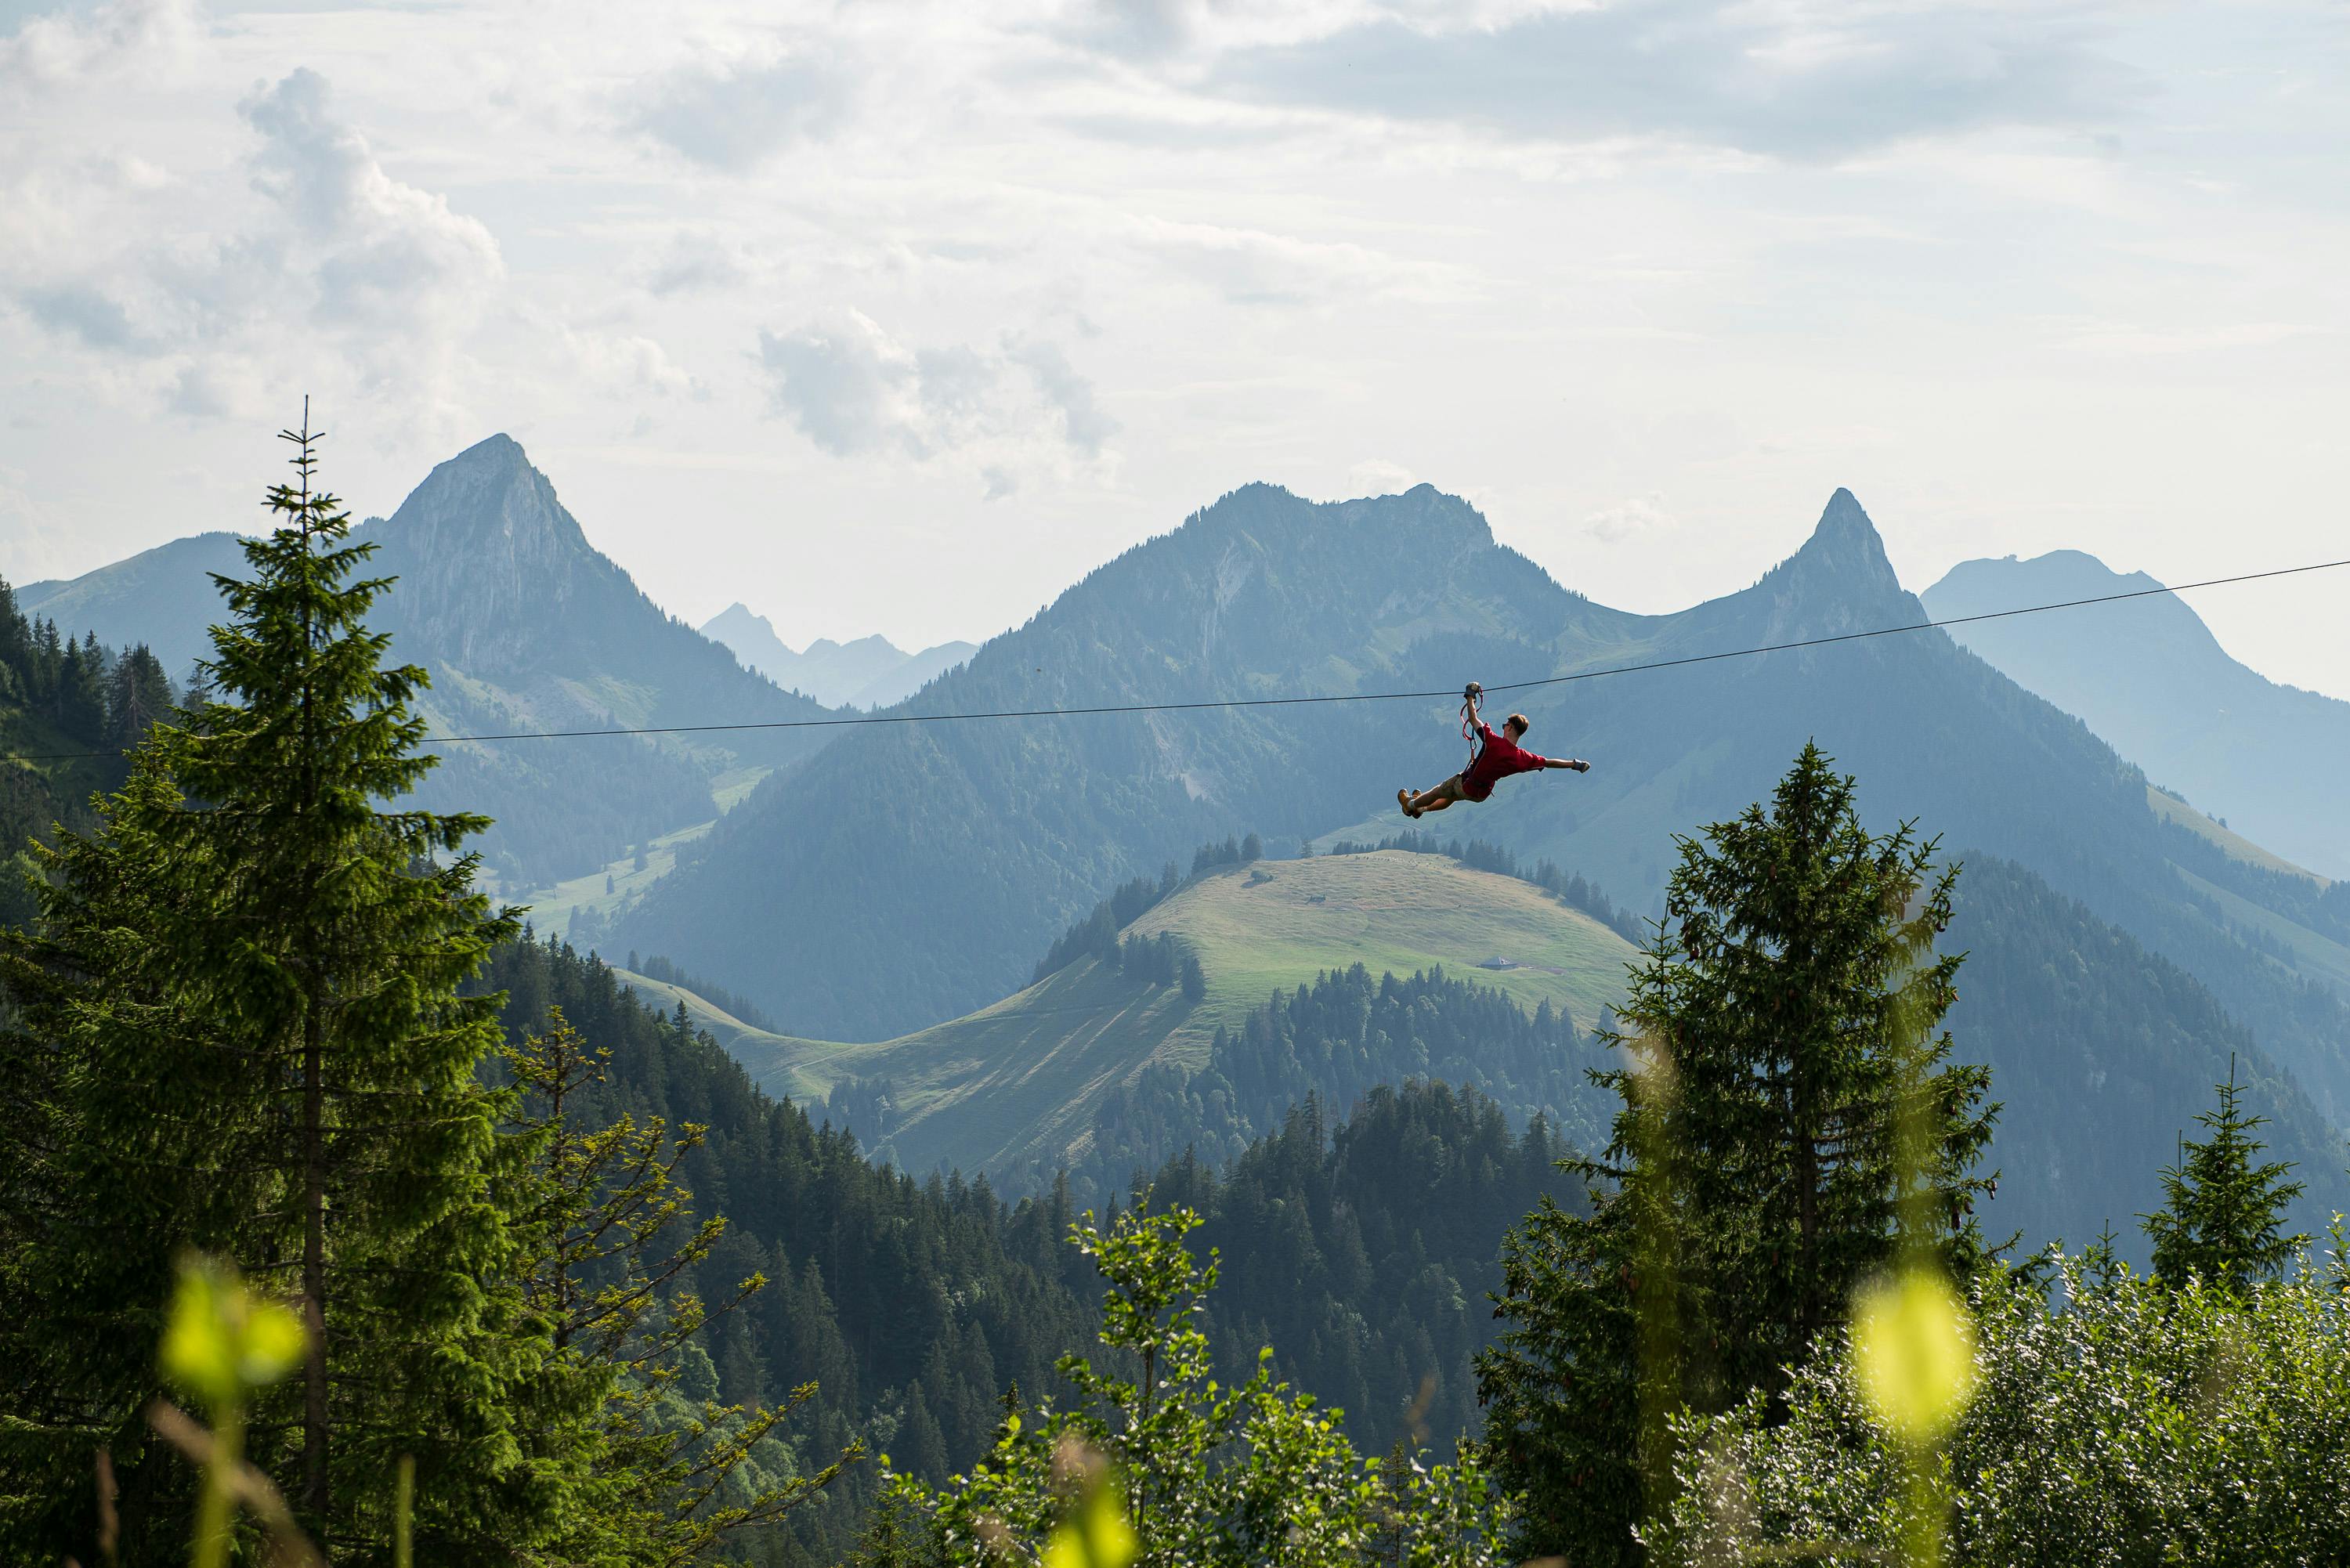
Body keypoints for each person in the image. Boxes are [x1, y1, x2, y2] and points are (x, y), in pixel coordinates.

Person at [1398, 708, 1588, 818]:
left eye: (1505, 725)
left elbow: (1473, 719)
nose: (1503, 727)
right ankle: (1422, 809)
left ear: (1511, 727)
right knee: (1452, 797)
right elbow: (1548, 762)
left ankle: (1412, 805)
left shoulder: (1494, 742)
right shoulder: (1523, 757)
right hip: (1481, 794)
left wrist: (1470, 695)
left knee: (1440, 790)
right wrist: (1575, 764)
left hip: (1468, 784)